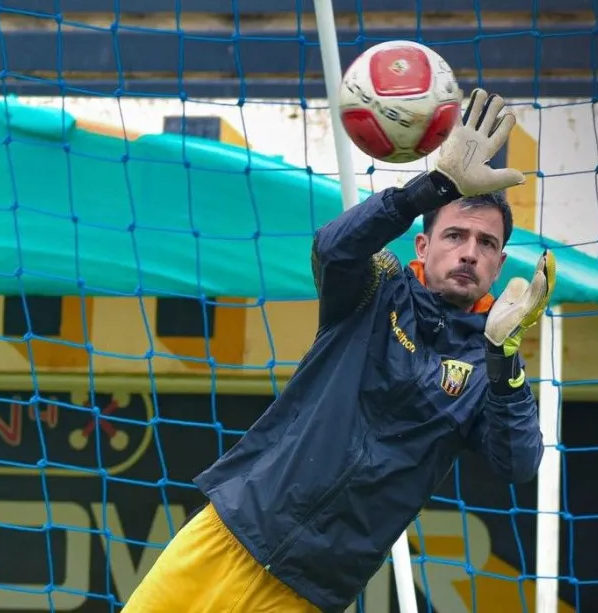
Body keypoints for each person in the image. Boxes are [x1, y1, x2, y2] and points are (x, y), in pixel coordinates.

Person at [121, 88, 556, 613]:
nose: (468, 253)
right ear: (424, 245)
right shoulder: (379, 290)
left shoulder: (490, 361)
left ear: (500, 260)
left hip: (309, 587)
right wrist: (434, 185)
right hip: (231, 529)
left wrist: (504, 356)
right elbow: (333, 247)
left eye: (485, 244)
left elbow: (518, 463)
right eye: (455, 235)